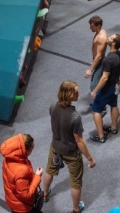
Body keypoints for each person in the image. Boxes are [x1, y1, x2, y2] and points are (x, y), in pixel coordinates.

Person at [42, 81, 95, 213]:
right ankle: (76, 210)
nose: (79, 94)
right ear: (69, 94)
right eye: (76, 92)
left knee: (49, 170)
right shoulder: (75, 117)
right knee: (76, 182)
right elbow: (80, 141)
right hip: (71, 152)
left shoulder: (52, 106)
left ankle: (45, 194)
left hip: (55, 146)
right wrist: (89, 158)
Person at [90, 34, 120, 143]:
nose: (108, 37)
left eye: (111, 37)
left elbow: (104, 78)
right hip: (115, 85)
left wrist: (95, 91)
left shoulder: (108, 59)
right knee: (114, 105)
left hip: (107, 88)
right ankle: (114, 128)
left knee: (96, 110)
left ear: (113, 43)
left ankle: (101, 136)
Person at [0, 133, 43, 213]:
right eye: (31, 150)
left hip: (13, 200)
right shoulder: (21, 170)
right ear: (25, 151)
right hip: (22, 207)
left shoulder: (8, 158)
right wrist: (37, 176)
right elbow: (26, 195)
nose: (32, 152)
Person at [84, 15, 108, 94]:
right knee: (99, 83)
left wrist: (90, 70)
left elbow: (99, 56)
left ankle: (99, 104)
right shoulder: (100, 32)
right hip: (97, 60)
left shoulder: (101, 37)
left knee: (94, 86)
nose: (90, 27)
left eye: (92, 26)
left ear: (99, 26)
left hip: (100, 62)